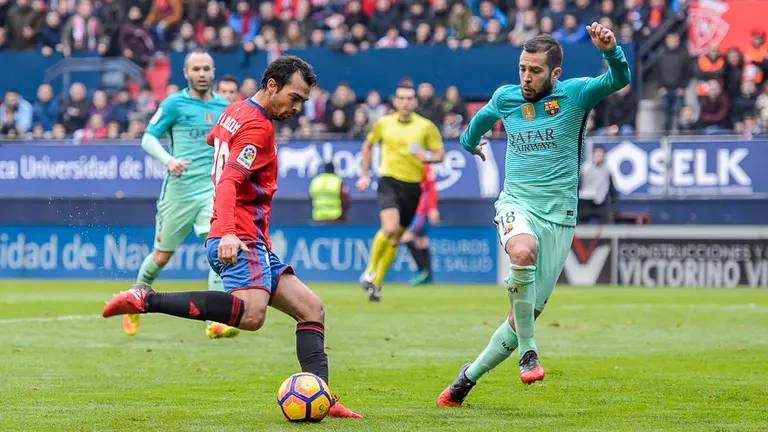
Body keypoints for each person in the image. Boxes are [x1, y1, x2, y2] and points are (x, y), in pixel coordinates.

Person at [101, 56, 362, 419]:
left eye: (302, 100)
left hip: (251, 234)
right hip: (239, 235)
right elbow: (228, 181)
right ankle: (145, 299)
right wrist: (225, 231)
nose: (297, 107)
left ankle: (322, 396)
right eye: (295, 97)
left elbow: (214, 138)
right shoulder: (258, 128)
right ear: (272, 86)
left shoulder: (235, 110)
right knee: (251, 316)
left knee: (311, 308)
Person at [437, 26, 630, 407]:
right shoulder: (506, 98)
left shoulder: (575, 94)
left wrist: (612, 51)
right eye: (522, 68)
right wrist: (471, 144)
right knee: (521, 252)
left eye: (535, 71)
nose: (526, 77)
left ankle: (464, 380)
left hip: (559, 217)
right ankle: (530, 351)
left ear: (554, 73)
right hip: (517, 203)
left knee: (521, 316)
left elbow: (619, 78)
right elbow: (474, 126)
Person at [124, 49, 234, 339]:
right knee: (161, 256)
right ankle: (134, 302)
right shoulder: (174, 103)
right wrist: (168, 160)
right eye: (196, 69)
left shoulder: (225, 107)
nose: (201, 74)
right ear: (186, 73)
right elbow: (148, 138)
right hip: (179, 192)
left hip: (210, 191)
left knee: (217, 249)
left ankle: (214, 321)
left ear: (213, 72)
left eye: (206, 68)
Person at [355, 82, 445, 302]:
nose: (405, 102)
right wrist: (365, 174)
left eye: (409, 98)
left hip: (413, 188)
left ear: (414, 101)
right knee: (389, 228)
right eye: (401, 98)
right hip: (388, 181)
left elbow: (440, 153)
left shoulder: (425, 127)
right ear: (395, 102)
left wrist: (430, 158)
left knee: (395, 239)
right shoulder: (383, 124)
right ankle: (369, 271)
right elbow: (367, 146)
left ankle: (376, 284)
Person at [401, 163, 439, 285]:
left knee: (406, 237)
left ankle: (422, 272)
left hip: (422, 210)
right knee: (422, 240)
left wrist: (432, 208)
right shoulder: (409, 162)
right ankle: (428, 275)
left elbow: (431, 187)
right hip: (416, 207)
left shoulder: (424, 165)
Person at [578, 145, 618, 224]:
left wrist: (615, 205)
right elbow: (578, 185)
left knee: (604, 223)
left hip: (600, 200)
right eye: (597, 155)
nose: (598, 157)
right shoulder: (585, 168)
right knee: (582, 225)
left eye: (600, 155)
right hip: (585, 200)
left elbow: (611, 188)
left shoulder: (607, 170)